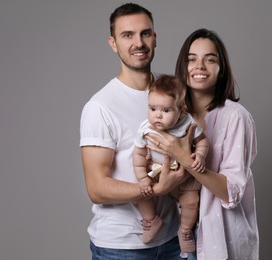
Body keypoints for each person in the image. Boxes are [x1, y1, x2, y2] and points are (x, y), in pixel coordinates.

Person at [80, 3, 186, 259]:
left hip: (173, 241)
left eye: (145, 33)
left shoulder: (171, 94)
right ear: (113, 43)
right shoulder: (100, 106)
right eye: (127, 35)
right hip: (121, 248)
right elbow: (97, 188)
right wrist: (155, 190)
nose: (138, 42)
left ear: (155, 38)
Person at [145, 28, 259, 259]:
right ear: (182, 66)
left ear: (221, 68)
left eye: (210, 59)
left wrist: (185, 158)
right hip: (173, 237)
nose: (200, 66)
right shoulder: (170, 117)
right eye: (192, 59)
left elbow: (232, 193)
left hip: (219, 237)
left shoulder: (235, 116)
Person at [133, 75, 209, 253]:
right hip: (156, 172)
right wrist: (143, 178)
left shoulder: (188, 123)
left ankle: (184, 231)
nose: (157, 115)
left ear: (181, 111)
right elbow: (138, 154)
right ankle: (152, 219)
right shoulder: (145, 129)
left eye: (166, 110)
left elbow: (203, 141)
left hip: (184, 173)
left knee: (192, 201)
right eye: (152, 109)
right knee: (141, 193)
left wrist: (200, 155)